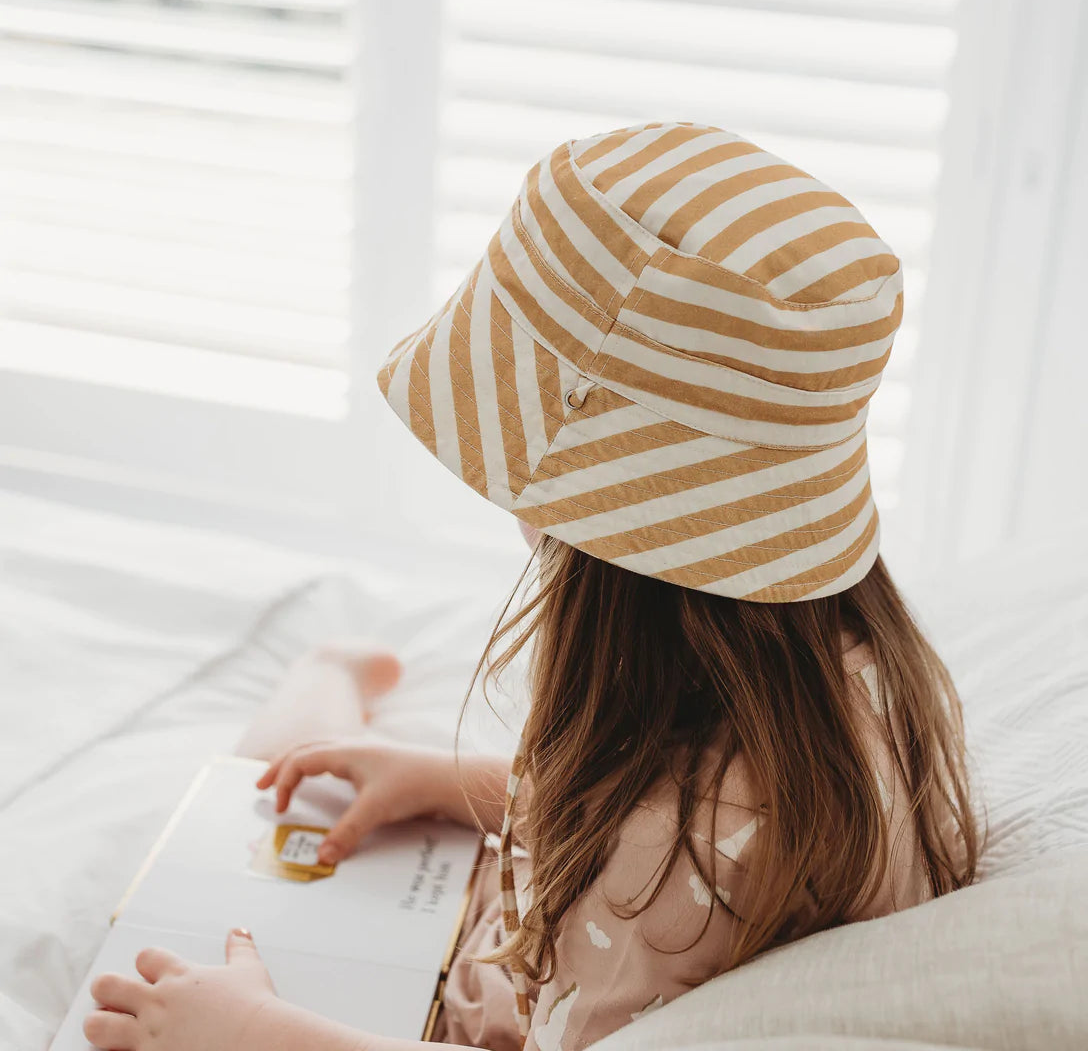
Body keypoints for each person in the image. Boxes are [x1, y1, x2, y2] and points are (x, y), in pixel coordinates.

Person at [84, 122, 981, 1051]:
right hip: (518, 907)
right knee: (295, 797)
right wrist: (458, 784)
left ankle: (331, 667)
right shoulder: (846, 676)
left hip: (471, 1002)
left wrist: (256, 1033)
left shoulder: (663, 869)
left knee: (241, 835)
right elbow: (662, 812)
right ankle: (340, 678)